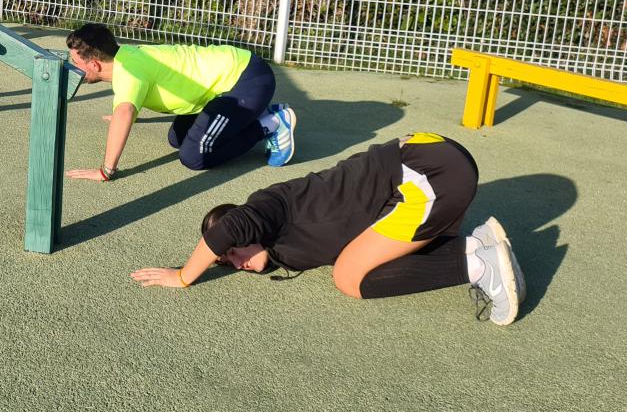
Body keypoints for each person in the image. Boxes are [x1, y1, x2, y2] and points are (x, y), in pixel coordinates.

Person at [129, 132, 526, 325]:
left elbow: (231, 226)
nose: (236, 262)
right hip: (429, 161)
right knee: (360, 258)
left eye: (232, 251)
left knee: (348, 277)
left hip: (427, 172)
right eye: (228, 263)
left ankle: (479, 266)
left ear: (247, 232)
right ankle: (476, 246)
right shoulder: (282, 244)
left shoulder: (266, 208)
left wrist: (183, 276)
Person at [64, 23, 296, 180]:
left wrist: (105, 171)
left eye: (76, 62)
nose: (73, 66)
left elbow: (125, 111)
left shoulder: (128, 73)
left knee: (194, 156)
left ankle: (272, 124)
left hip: (246, 81)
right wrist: (121, 115)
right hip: (228, 80)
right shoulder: (127, 55)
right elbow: (129, 102)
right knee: (178, 139)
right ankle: (254, 112)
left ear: (94, 64)